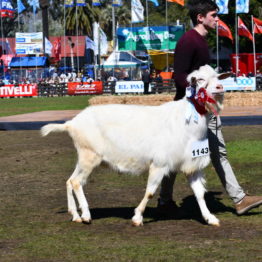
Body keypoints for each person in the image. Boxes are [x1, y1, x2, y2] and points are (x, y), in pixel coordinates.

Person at [157, 0, 262, 217]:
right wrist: (199, 92)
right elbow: (179, 76)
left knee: (208, 152)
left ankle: (165, 201)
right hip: (190, 111)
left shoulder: (201, 41)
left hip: (203, 109)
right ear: (200, 17)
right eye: (214, 15)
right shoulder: (189, 41)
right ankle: (239, 199)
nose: (217, 19)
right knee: (181, 155)